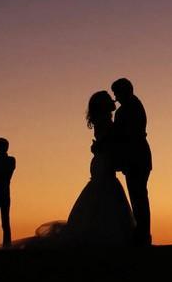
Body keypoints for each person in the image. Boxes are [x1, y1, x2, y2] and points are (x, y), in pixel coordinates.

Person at [41, 91, 135, 246]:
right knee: (105, 191)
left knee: (101, 191)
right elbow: (107, 142)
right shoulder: (104, 122)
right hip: (103, 161)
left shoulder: (101, 121)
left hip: (101, 161)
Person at [112, 77, 152, 246]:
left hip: (135, 157)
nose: (116, 98)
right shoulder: (136, 105)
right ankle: (143, 234)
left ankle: (142, 235)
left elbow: (123, 137)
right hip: (140, 156)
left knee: (138, 197)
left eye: (117, 93)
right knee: (140, 196)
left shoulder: (127, 110)